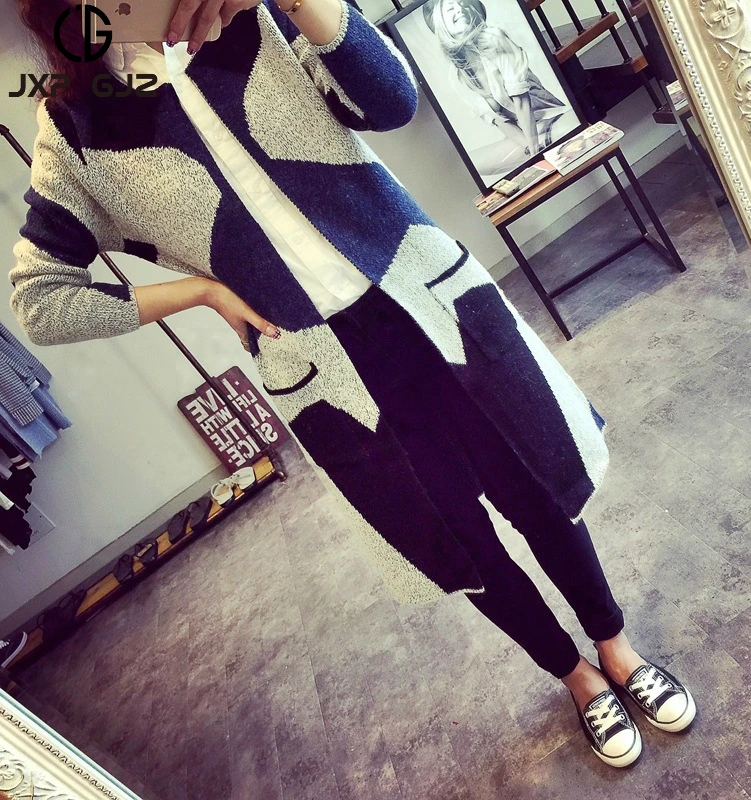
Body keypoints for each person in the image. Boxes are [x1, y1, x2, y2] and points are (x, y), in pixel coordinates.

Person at [10, 0, 695, 767]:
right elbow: (42, 300)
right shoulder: (75, 125)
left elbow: (390, 101)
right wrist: (199, 291)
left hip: (428, 302)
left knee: (536, 484)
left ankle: (616, 648)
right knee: (457, 543)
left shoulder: (260, 16)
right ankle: (575, 677)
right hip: (321, 374)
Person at [423, 0, 565, 168]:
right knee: (476, 163)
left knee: (542, 151)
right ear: (440, 24)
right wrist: (527, 148)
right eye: (450, 8)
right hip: (522, 134)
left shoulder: (494, 38)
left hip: (548, 118)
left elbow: (521, 101)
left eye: (462, 3)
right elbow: (500, 121)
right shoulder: (456, 77)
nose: (460, 8)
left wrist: (536, 154)